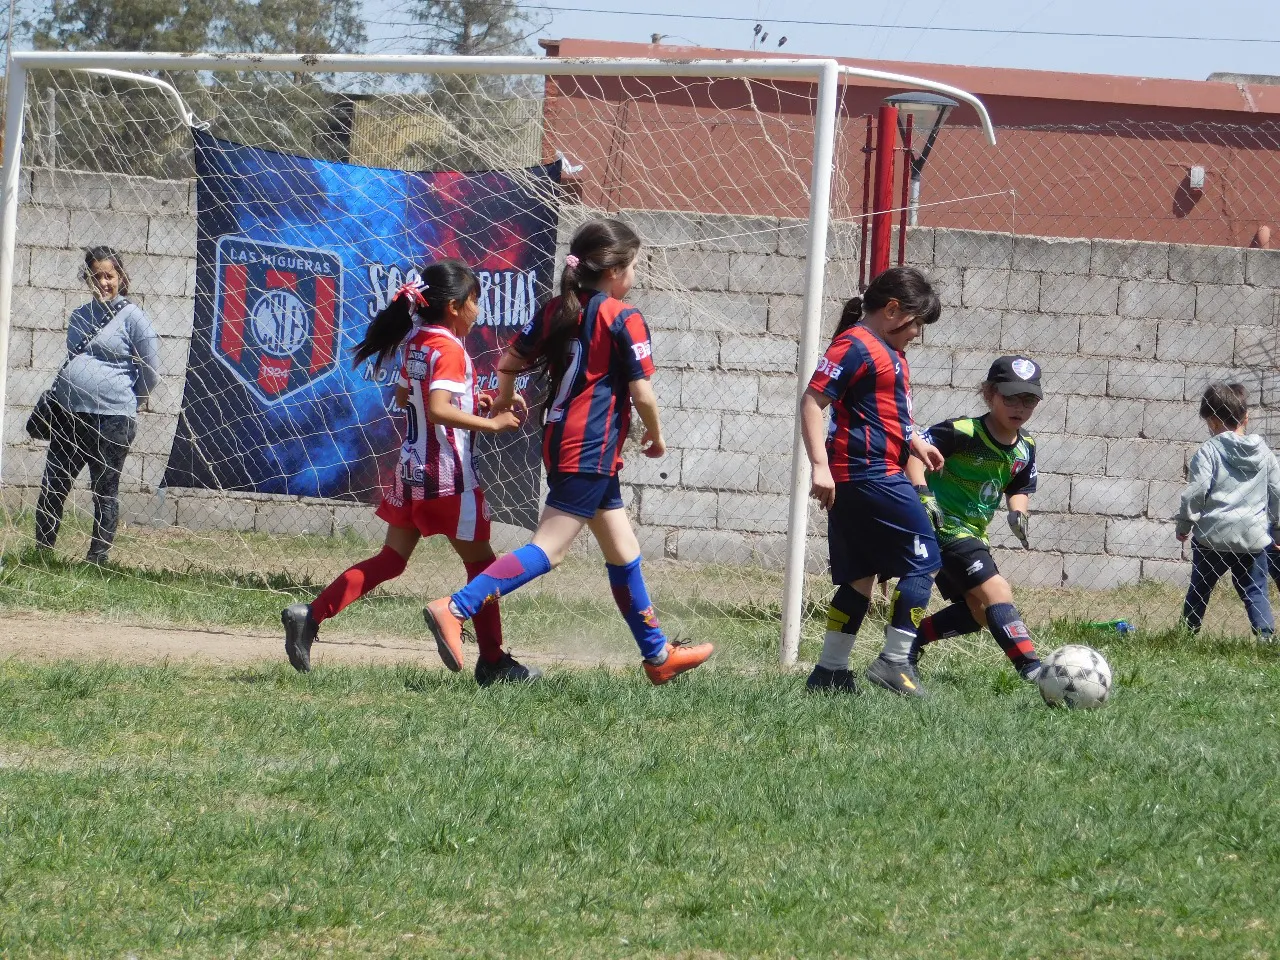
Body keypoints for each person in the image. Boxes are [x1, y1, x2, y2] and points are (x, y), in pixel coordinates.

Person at [422, 218, 714, 685]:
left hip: (563, 440)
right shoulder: (623, 315)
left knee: (623, 550)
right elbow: (642, 394)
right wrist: (656, 436)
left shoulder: (559, 308)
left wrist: (502, 397)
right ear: (616, 270)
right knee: (550, 550)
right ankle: (455, 608)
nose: (635, 275)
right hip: (590, 446)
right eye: (635, 265)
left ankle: (658, 658)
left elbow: (507, 362)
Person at [282, 259, 535, 684]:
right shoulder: (451, 348)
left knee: (391, 560)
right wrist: (491, 423)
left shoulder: (417, 340)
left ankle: (311, 615)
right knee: (485, 571)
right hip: (449, 477)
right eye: (475, 301)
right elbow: (437, 409)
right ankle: (493, 662)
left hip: (411, 472)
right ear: (454, 306)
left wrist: (477, 401)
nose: (478, 311)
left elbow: (406, 397)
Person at [802, 266, 944, 698]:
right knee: (925, 559)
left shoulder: (886, 349)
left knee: (859, 576)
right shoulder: (855, 346)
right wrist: (819, 465)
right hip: (868, 475)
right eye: (916, 322)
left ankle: (829, 672)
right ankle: (895, 660)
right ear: (892, 309)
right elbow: (812, 401)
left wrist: (914, 440)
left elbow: (884, 412)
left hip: (863, 476)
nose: (917, 333)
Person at [906, 356, 1044, 682]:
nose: (1019, 407)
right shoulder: (963, 431)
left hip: (974, 533)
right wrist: (923, 495)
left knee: (979, 612)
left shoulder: (1026, 447)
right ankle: (1035, 670)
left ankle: (910, 642)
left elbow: (1019, 485)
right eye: (1010, 397)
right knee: (998, 593)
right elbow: (914, 455)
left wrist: (1018, 512)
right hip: (942, 526)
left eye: (1029, 400)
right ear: (988, 394)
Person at [34, 246, 159, 564]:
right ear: (87, 277)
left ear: (121, 278)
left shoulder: (133, 317)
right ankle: (42, 552)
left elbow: (151, 370)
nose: (103, 282)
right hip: (68, 414)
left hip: (112, 419)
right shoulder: (79, 316)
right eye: (96, 275)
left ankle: (97, 557)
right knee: (54, 484)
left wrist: (132, 399)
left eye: (109, 275)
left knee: (104, 489)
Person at [1177, 382, 1279, 640]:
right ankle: (1265, 637)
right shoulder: (1265, 454)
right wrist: (1277, 530)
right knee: (1255, 590)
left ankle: (1187, 634)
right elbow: (1277, 492)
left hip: (1213, 537)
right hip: (1253, 538)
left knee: (1200, 588)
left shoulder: (1208, 451)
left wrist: (1185, 524)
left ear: (1212, 421)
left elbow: (1196, 491)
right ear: (1245, 417)